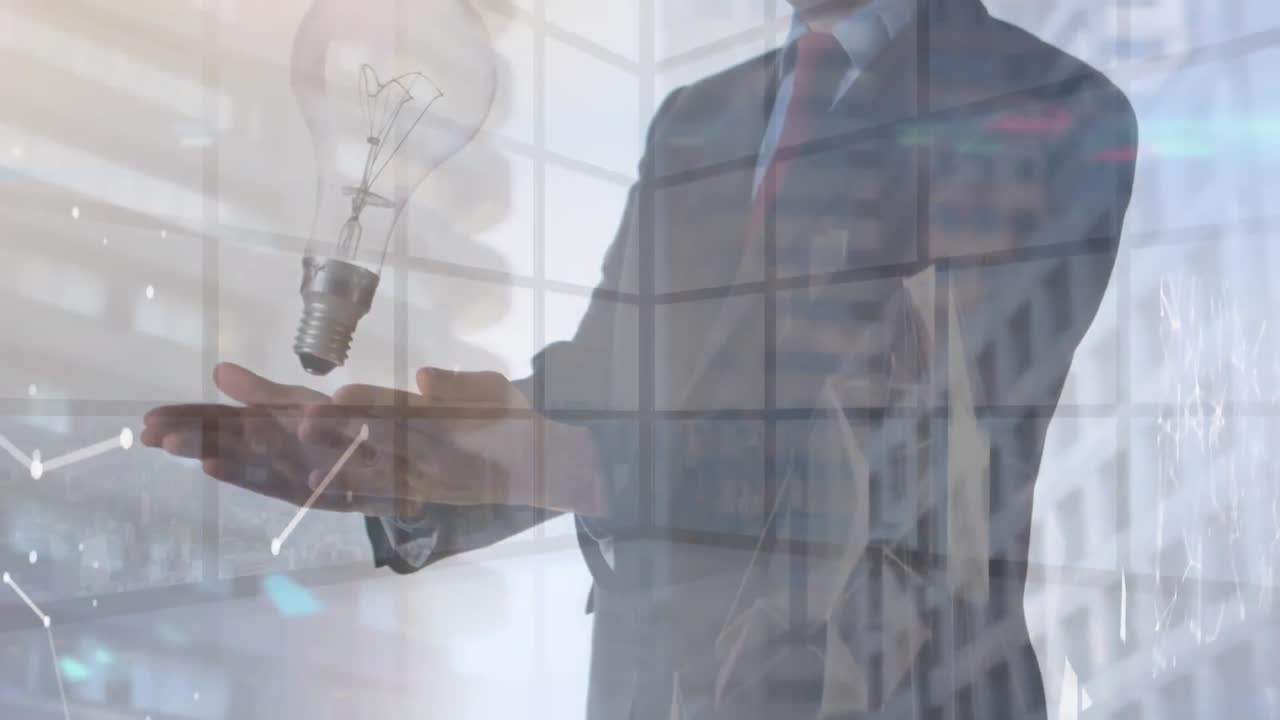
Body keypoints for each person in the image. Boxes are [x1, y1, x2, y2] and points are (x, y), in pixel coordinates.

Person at [142, 0, 1137, 717]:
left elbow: (922, 444)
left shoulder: (1045, 103)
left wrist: (581, 465)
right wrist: (422, 468)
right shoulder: (700, 118)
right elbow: (603, 385)